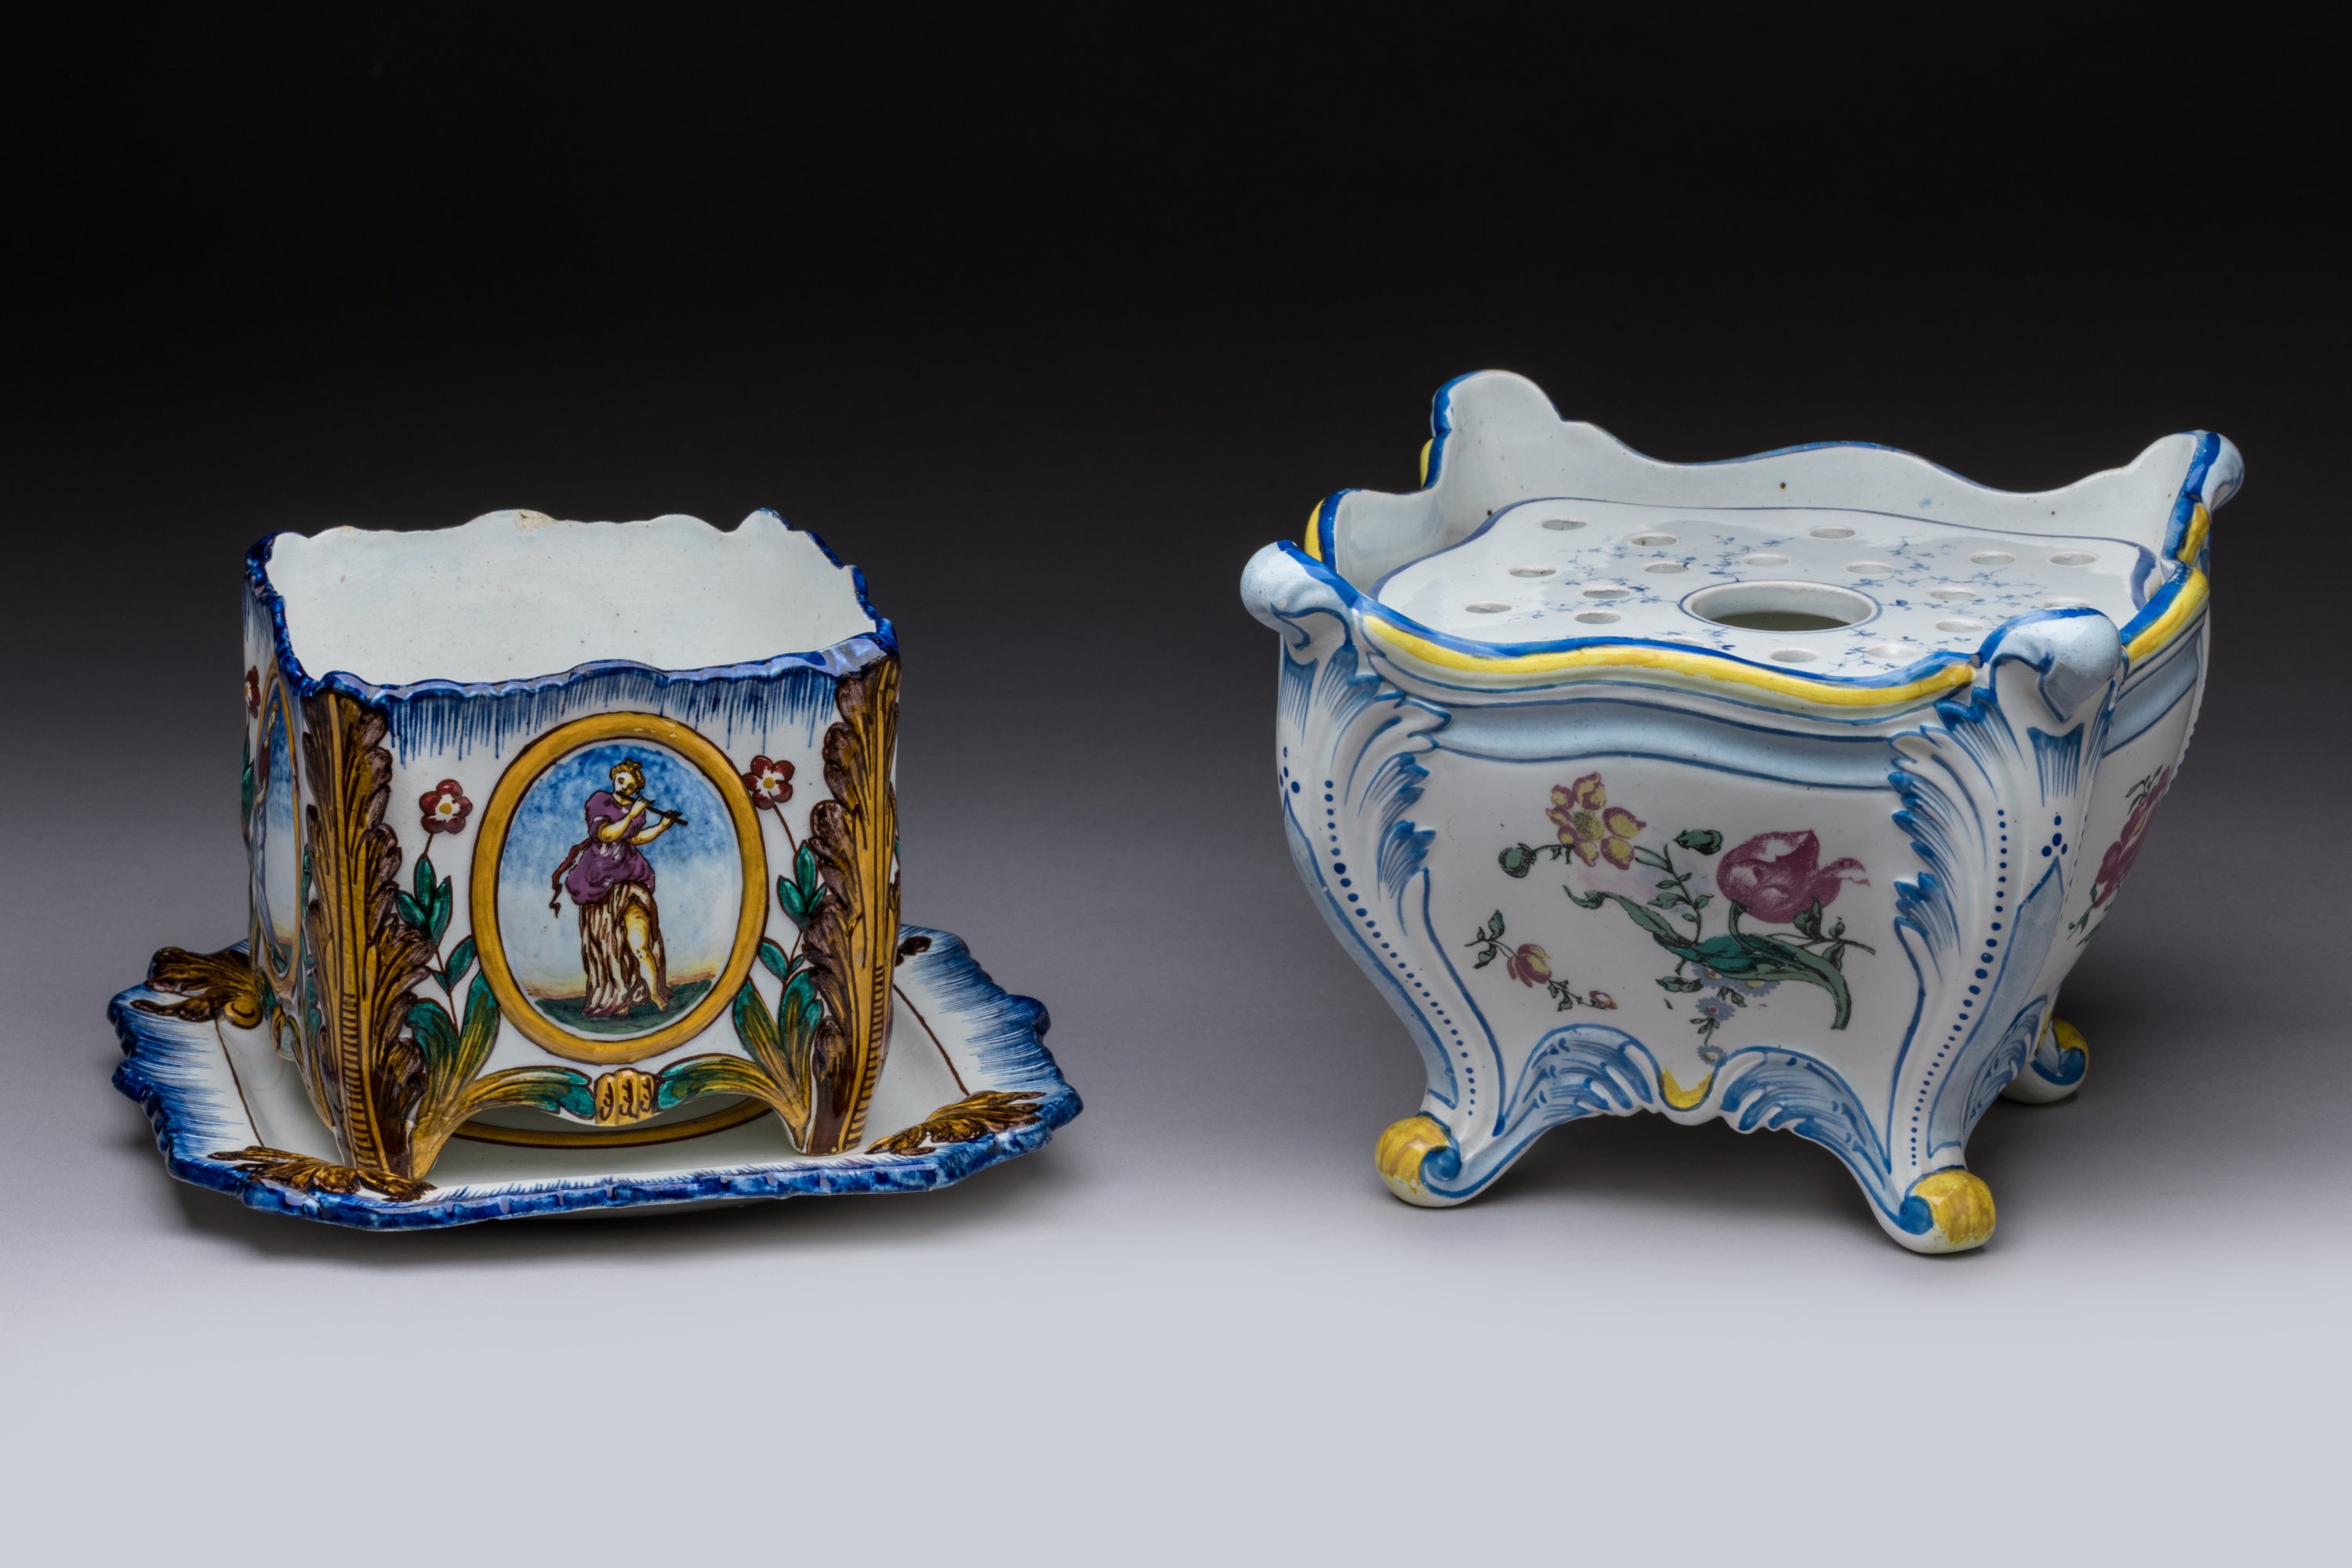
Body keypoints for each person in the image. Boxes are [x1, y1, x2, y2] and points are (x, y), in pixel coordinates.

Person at [550, 757, 680, 1018]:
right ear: (614, 778)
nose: (623, 788)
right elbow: (605, 834)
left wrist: (661, 827)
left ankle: (654, 993)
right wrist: (631, 814)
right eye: (621, 781)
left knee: (640, 944)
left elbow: (635, 838)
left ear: (635, 790)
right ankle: (619, 998)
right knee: (610, 948)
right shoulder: (600, 801)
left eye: (630, 787)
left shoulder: (636, 808)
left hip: (631, 879)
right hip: (600, 884)